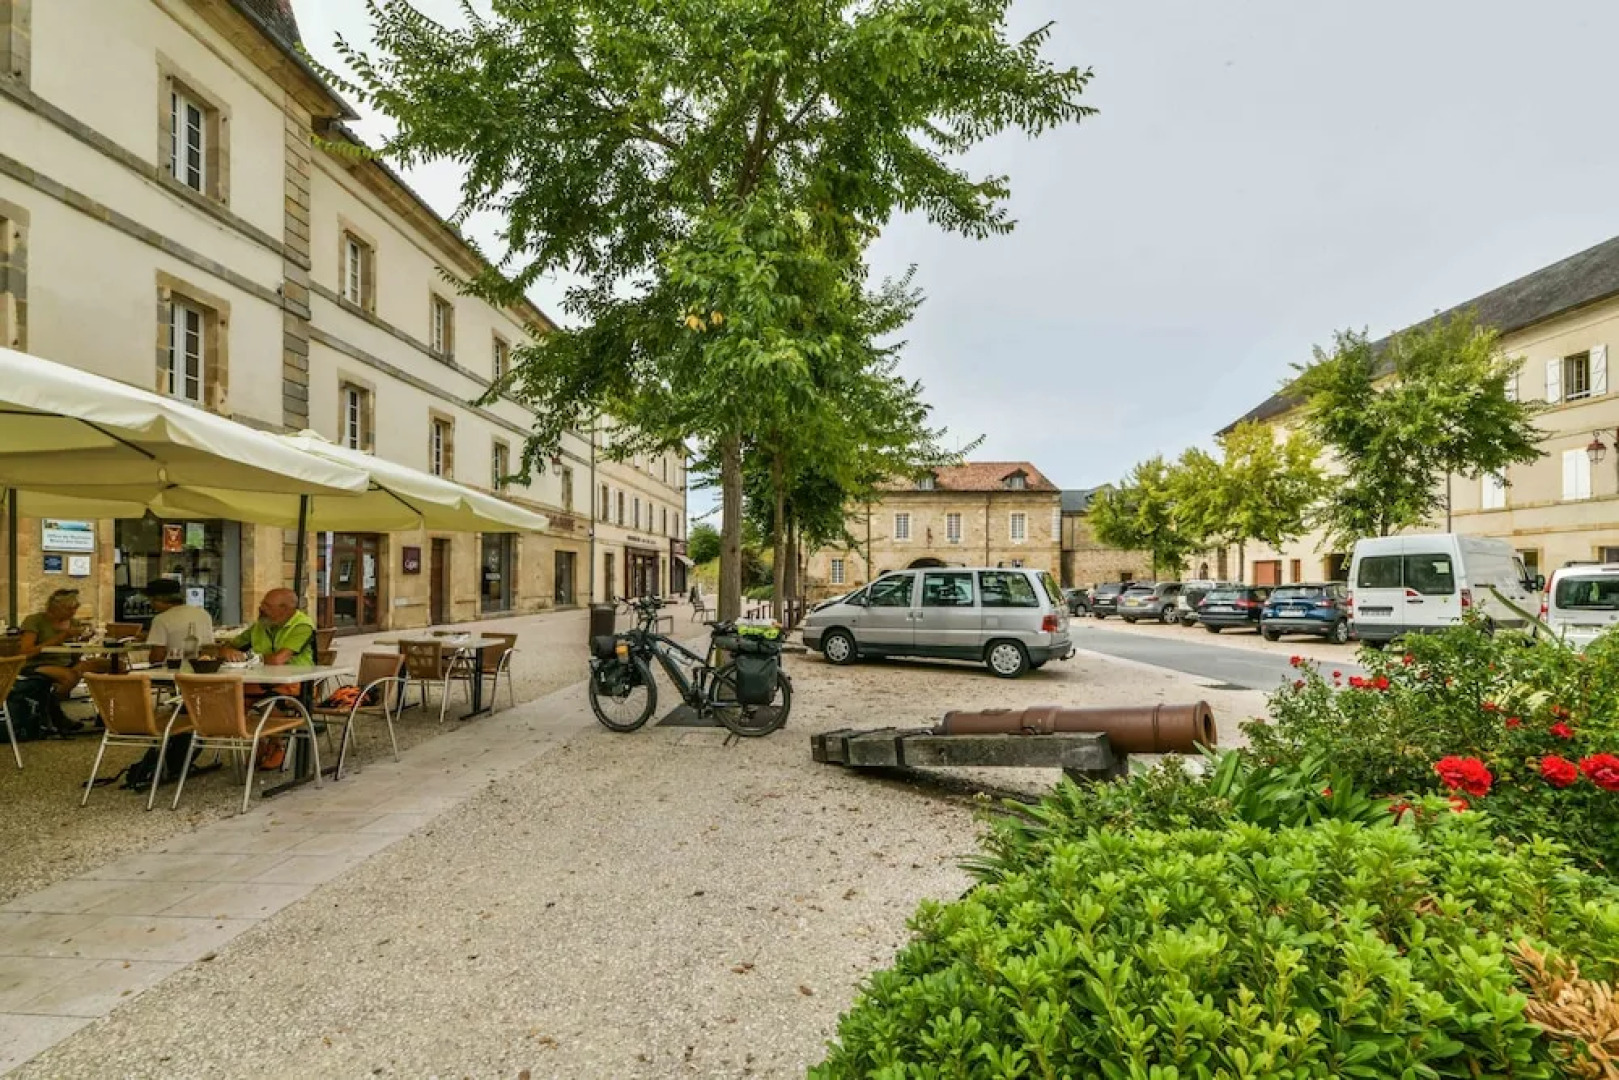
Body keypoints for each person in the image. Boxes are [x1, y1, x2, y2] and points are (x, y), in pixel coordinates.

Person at [221, 588, 315, 769]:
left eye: (267, 606)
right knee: (234, 697)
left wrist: (250, 658)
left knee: (267, 700)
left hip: (295, 683)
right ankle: (259, 740)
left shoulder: (302, 626)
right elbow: (228, 646)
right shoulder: (261, 625)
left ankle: (277, 743)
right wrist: (228, 651)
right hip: (260, 680)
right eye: (262, 604)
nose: (261, 608)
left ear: (286, 609)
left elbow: (279, 659)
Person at [18, 588, 93, 704]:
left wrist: (83, 641)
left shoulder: (73, 623)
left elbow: (75, 653)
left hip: (67, 663)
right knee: (70, 677)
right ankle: (52, 708)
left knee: (110, 665)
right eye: (69, 608)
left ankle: (105, 712)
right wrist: (63, 636)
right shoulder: (34, 621)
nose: (73, 612)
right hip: (37, 665)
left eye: (76, 608)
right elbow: (26, 652)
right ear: (55, 607)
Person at [141, 579, 214, 663]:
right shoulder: (203, 614)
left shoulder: (161, 619)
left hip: (170, 671)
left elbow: (158, 656)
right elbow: (209, 649)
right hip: (199, 670)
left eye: (151, 601)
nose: (151, 605)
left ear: (159, 600)